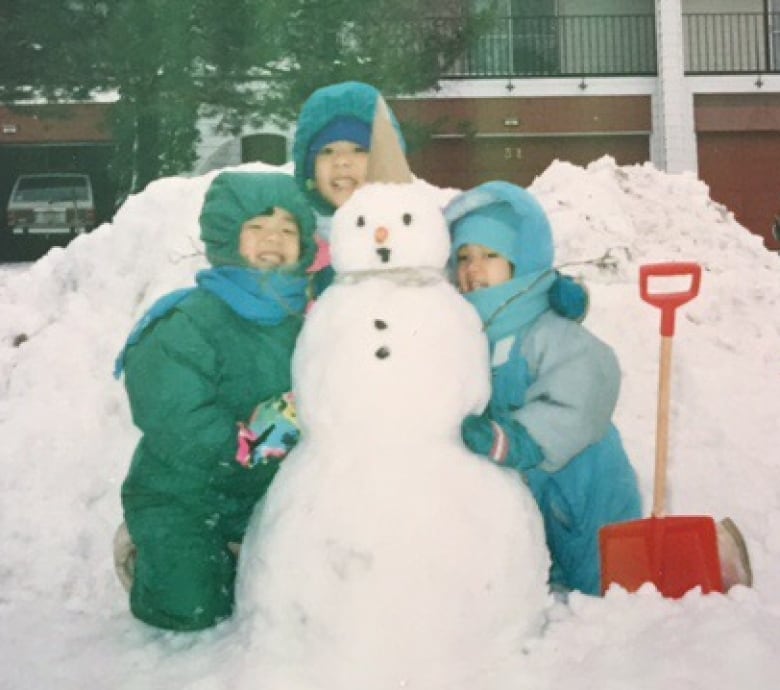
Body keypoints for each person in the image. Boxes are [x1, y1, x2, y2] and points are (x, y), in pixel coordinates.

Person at [445, 181, 752, 595]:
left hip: (584, 485)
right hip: (529, 488)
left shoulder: (544, 330)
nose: (472, 268)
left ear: (520, 262)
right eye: (463, 256)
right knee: (541, 578)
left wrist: (520, 437)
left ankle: (711, 559)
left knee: (607, 581)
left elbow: (589, 384)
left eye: (489, 255)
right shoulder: (467, 334)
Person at [113, 171, 316, 631]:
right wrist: (242, 443)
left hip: (265, 499)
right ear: (229, 235)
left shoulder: (306, 321)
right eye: (258, 227)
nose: (273, 239)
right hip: (185, 494)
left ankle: (233, 554)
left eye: (287, 230)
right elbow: (172, 413)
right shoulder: (188, 319)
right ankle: (146, 555)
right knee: (191, 606)